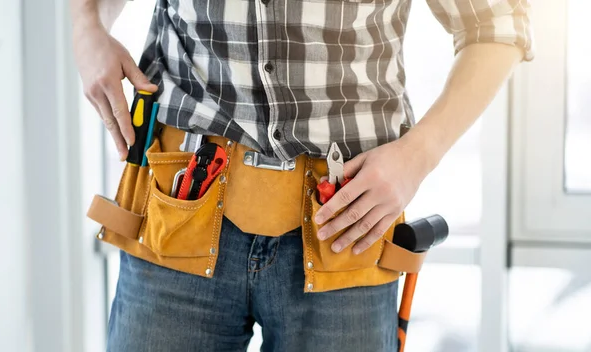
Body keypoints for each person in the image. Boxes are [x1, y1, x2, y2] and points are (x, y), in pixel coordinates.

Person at [72, 0, 534, 351]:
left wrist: (420, 154)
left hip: (347, 227)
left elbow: (498, 26)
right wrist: (87, 25)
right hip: (177, 215)